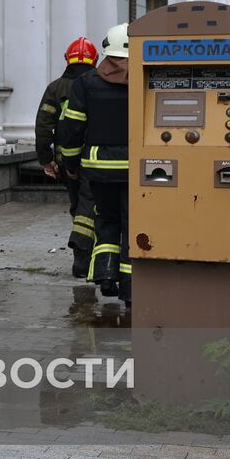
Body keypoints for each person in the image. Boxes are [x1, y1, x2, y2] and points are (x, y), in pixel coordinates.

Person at [57, 23, 132, 305]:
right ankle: (130, 287)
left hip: (99, 169)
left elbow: (72, 129)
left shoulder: (86, 83)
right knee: (132, 224)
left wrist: (71, 164)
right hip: (136, 170)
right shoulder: (147, 81)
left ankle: (105, 274)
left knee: (106, 221)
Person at [35, 36, 100, 278]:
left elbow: (43, 126)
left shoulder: (55, 88)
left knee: (79, 206)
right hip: (99, 157)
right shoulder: (100, 83)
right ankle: (93, 256)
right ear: (95, 59)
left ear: (67, 59)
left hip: (67, 161)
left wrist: (46, 159)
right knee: (96, 206)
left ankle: (83, 255)